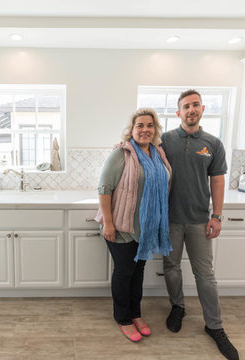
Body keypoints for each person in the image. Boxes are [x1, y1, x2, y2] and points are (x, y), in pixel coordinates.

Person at [161, 89, 239, 360]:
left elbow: (217, 180)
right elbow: (140, 152)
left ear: (202, 109)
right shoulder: (165, 140)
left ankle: (214, 326)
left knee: (205, 275)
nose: (191, 109)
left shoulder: (213, 143)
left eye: (195, 105)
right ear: (178, 112)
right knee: (170, 267)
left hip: (199, 219)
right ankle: (177, 307)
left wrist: (216, 216)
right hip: (169, 219)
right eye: (186, 106)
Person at [95, 108, 173, 342]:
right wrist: (108, 223)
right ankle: (123, 318)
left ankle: (135, 313)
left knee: (137, 273)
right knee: (124, 272)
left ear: (155, 130)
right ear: (132, 129)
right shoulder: (121, 154)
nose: (145, 129)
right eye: (140, 125)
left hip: (146, 227)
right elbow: (104, 189)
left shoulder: (158, 154)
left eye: (150, 125)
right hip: (121, 226)